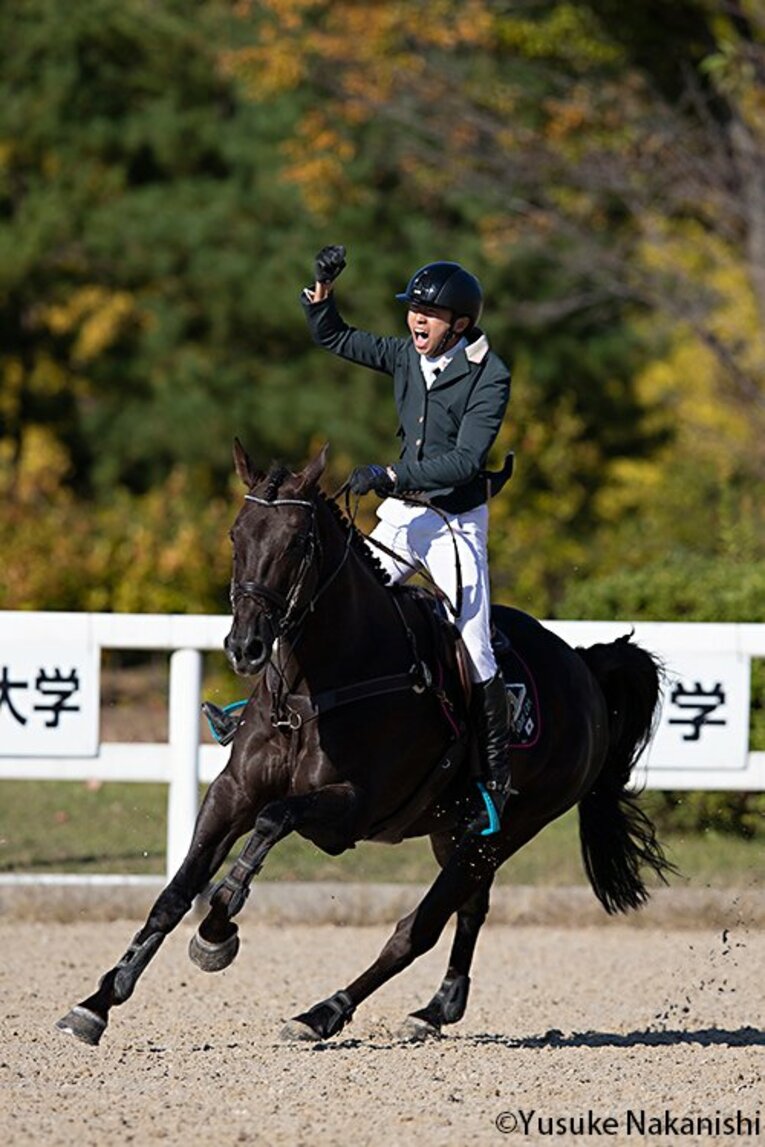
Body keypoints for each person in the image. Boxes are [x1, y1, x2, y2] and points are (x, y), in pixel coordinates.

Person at [301, 245, 514, 834]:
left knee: (475, 646)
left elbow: (466, 460)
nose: (416, 321)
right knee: (332, 596)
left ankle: (493, 781)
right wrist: (322, 289)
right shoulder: (405, 356)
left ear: (461, 324)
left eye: (430, 314)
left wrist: (392, 475)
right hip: (404, 514)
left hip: (453, 522)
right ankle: (263, 712)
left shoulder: (489, 374)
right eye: (413, 310)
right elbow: (336, 338)